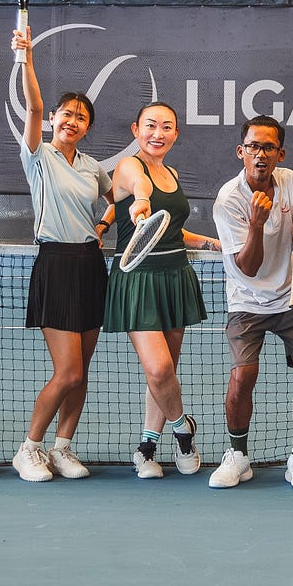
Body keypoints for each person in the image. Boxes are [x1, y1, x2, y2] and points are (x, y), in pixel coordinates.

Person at [9, 27, 116, 482]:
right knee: (67, 370)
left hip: (90, 264)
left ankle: (63, 447)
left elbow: (116, 200)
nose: (72, 121)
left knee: (83, 368)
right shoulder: (38, 155)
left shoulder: (93, 166)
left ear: (88, 126)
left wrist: (104, 225)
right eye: (66, 114)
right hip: (54, 264)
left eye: (81, 117)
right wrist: (25, 59)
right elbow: (31, 105)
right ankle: (29, 448)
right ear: (52, 118)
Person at [104, 101, 221, 479]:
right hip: (137, 278)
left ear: (176, 133)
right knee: (158, 369)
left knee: (167, 371)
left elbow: (172, 229)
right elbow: (140, 194)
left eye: (167, 127)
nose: (158, 133)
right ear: (135, 129)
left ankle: (147, 446)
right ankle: (183, 429)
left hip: (175, 274)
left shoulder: (170, 171)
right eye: (151, 125)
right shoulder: (129, 167)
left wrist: (214, 244)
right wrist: (140, 203)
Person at [208, 115, 293, 489]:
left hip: (291, 296)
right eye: (253, 146)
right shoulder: (229, 200)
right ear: (241, 152)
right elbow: (250, 268)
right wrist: (257, 223)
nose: (260, 154)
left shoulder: (289, 181)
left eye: (268, 147)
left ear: (280, 154)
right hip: (247, 298)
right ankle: (238, 455)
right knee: (243, 376)